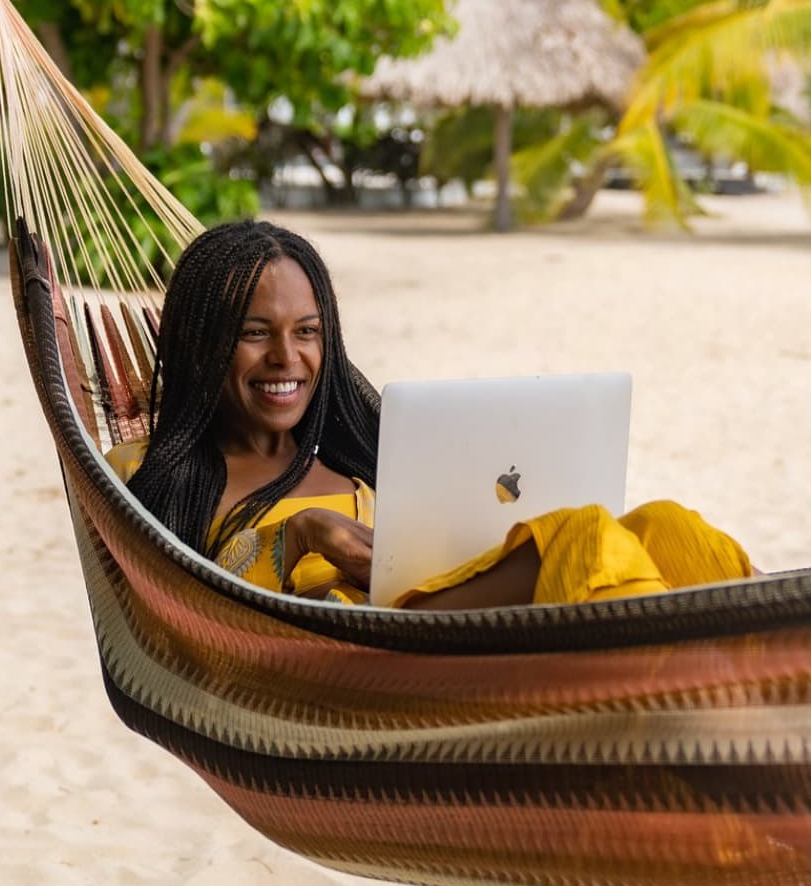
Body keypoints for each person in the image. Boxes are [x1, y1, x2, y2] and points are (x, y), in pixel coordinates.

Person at [115, 220, 755, 608]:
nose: (288, 357)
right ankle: (693, 722)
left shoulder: (360, 458)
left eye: (308, 332)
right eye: (256, 332)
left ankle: (792, 683)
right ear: (201, 344)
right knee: (586, 538)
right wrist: (300, 535)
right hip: (374, 655)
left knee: (668, 528)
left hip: (450, 603)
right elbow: (185, 611)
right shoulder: (149, 471)